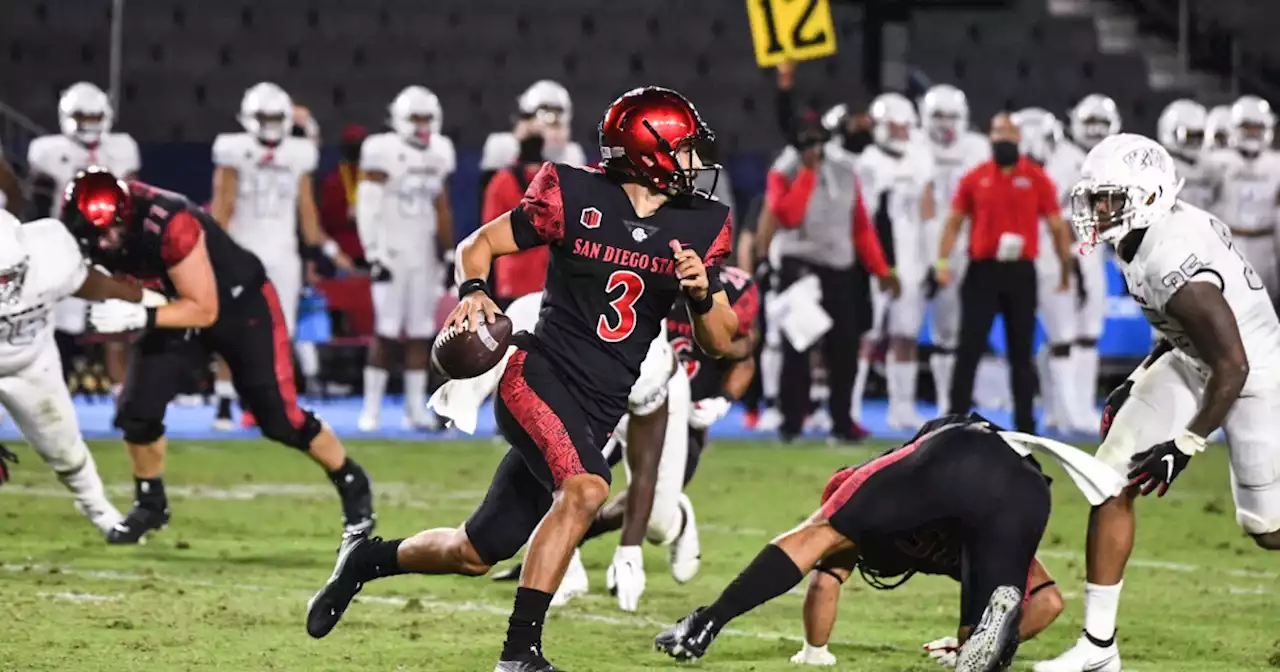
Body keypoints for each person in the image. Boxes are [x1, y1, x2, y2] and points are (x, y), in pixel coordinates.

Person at [304, 87, 738, 672]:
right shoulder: (573, 193)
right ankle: (520, 654)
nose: (694, 163)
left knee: (475, 551)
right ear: (648, 152)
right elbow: (477, 245)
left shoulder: (699, 225)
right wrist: (474, 292)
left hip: (599, 406)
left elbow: (720, 341)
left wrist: (702, 292)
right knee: (587, 488)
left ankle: (365, 560)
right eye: (684, 149)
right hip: (536, 375)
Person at [1035, 134, 1280, 672]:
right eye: (1095, 199)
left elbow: (1232, 364)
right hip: (1200, 360)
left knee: (1267, 529)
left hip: (1253, 372)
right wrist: (1142, 373)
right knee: (1110, 476)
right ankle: (1099, 648)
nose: (1098, 211)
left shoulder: (1174, 256)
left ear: (1147, 196)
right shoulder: (1142, 236)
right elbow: (1176, 330)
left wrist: (1185, 444)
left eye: (1109, 199)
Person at [656, 412, 1121, 672]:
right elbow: (1048, 602)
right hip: (1027, 486)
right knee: (981, 635)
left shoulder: (873, 480)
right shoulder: (965, 507)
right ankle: (977, 644)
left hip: (958, 452)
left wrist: (812, 651)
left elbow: (816, 564)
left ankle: (704, 624)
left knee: (822, 532)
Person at [59, 167, 376, 544]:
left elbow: (204, 309)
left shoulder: (168, 220)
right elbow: (81, 280)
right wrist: (129, 297)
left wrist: (140, 312)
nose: (107, 241)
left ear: (126, 213)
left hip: (240, 306)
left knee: (280, 419)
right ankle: (150, 502)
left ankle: (351, 480)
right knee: (136, 410)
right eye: (97, 234)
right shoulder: (76, 231)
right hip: (176, 304)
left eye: (112, 230)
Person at [0, 209, 169, 535]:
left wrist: (147, 299)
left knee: (65, 450)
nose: (4, 287)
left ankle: (101, 512)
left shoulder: (50, 255)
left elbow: (89, 283)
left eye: (8, 277)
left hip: (32, 364)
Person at [209, 82, 352, 428]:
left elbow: (307, 214)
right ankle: (225, 399)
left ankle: (272, 399)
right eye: (264, 116)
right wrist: (216, 252)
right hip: (242, 248)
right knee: (232, 328)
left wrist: (331, 250)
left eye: (276, 117)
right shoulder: (233, 149)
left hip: (283, 253)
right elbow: (222, 207)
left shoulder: (299, 153)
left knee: (281, 331)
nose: (270, 124)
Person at [936, 113, 1073, 433]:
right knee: (968, 347)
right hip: (982, 271)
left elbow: (1056, 226)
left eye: (1009, 137)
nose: (1004, 143)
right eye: (998, 137)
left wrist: (1066, 267)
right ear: (990, 140)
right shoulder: (975, 177)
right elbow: (954, 221)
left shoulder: (1037, 178)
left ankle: (1025, 425)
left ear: (1018, 140)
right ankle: (953, 420)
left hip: (1020, 273)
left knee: (1021, 352)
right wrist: (942, 263)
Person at [766, 111, 899, 442]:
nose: (814, 145)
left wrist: (881, 269)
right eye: (807, 139)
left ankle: (842, 420)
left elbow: (861, 226)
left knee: (844, 348)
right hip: (800, 266)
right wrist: (808, 175)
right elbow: (787, 215)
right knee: (799, 346)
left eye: (817, 138)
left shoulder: (844, 170)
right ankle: (792, 423)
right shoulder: (783, 171)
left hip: (840, 269)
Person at [28, 82, 140, 398]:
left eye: (94, 117)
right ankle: (52, 396)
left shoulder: (121, 149)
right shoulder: (48, 152)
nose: (89, 125)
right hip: (64, 247)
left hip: (108, 247)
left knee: (116, 327)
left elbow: (133, 200)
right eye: (82, 117)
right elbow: (38, 207)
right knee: (56, 327)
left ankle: (125, 399)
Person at [356, 86, 457, 432]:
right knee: (384, 333)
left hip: (423, 256)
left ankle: (414, 409)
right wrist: (373, 252)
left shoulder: (440, 151)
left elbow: (441, 205)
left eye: (426, 118)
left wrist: (447, 250)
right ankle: (371, 410)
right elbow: (367, 206)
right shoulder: (381, 150)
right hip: (391, 252)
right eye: (415, 118)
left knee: (420, 333)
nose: (421, 125)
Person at [851, 92, 935, 430]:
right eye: (895, 127)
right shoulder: (864, 159)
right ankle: (850, 407)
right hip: (874, 259)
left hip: (910, 258)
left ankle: (902, 408)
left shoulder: (920, 156)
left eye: (905, 127)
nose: (901, 134)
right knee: (865, 336)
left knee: (906, 336)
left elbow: (927, 212)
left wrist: (931, 260)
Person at [1012, 107, 1092, 435]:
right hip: (1020, 261)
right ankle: (1052, 410)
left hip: (1054, 259)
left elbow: (1079, 217)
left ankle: (1068, 411)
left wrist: (1070, 258)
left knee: (1063, 337)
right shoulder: (1003, 169)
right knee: (1031, 342)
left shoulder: (1072, 161)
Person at [918, 84, 990, 415]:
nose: (946, 124)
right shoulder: (913, 145)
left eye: (952, 116)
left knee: (961, 328)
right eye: (939, 115)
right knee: (925, 328)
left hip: (967, 245)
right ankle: (915, 401)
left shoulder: (977, 147)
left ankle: (953, 399)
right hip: (920, 243)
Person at [1065, 94, 1124, 428]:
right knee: (1075, 333)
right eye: (1090, 122)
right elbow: (1056, 214)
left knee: (1085, 332)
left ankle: (1071, 408)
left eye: (1102, 123)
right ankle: (1072, 409)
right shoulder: (1067, 159)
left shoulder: (1112, 161)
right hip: (1072, 250)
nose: (1096, 130)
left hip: (1094, 249)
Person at [1203, 95, 1280, 300]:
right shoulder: (1216, 162)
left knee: (1267, 306)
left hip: (1266, 244)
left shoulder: (1276, 164)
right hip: (1229, 241)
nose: (1253, 133)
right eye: (1248, 127)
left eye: (1258, 127)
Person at [485, 129, 552, 306]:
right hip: (545, 276)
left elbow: (489, 230)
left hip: (512, 276)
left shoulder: (501, 181)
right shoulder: (556, 178)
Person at [318, 124, 369, 262]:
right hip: (343, 248)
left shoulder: (373, 177)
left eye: (358, 144)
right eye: (352, 144)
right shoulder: (333, 180)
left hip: (371, 246)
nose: (355, 148)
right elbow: (326, 221)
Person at [1156, 99, 1216, 209]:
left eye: (1198, 136)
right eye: (1188, 136)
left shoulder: (1210, 166)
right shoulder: (1159, 168)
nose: (1194, 142)